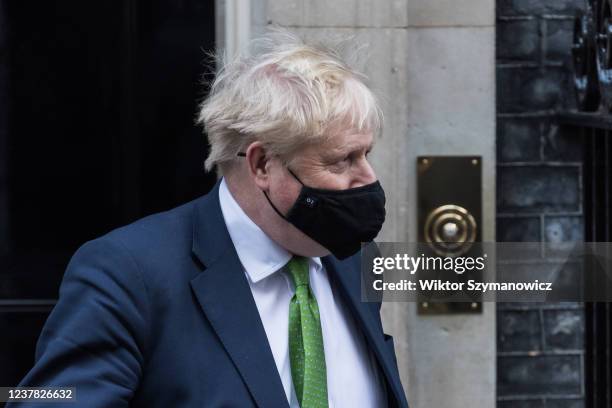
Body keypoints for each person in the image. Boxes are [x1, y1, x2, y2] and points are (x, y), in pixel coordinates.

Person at [9, 30, 409, 408]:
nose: (368, 179)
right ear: (262, 164)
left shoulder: (350, 256)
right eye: (343, 160)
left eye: (366, 154)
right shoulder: (128, 274)